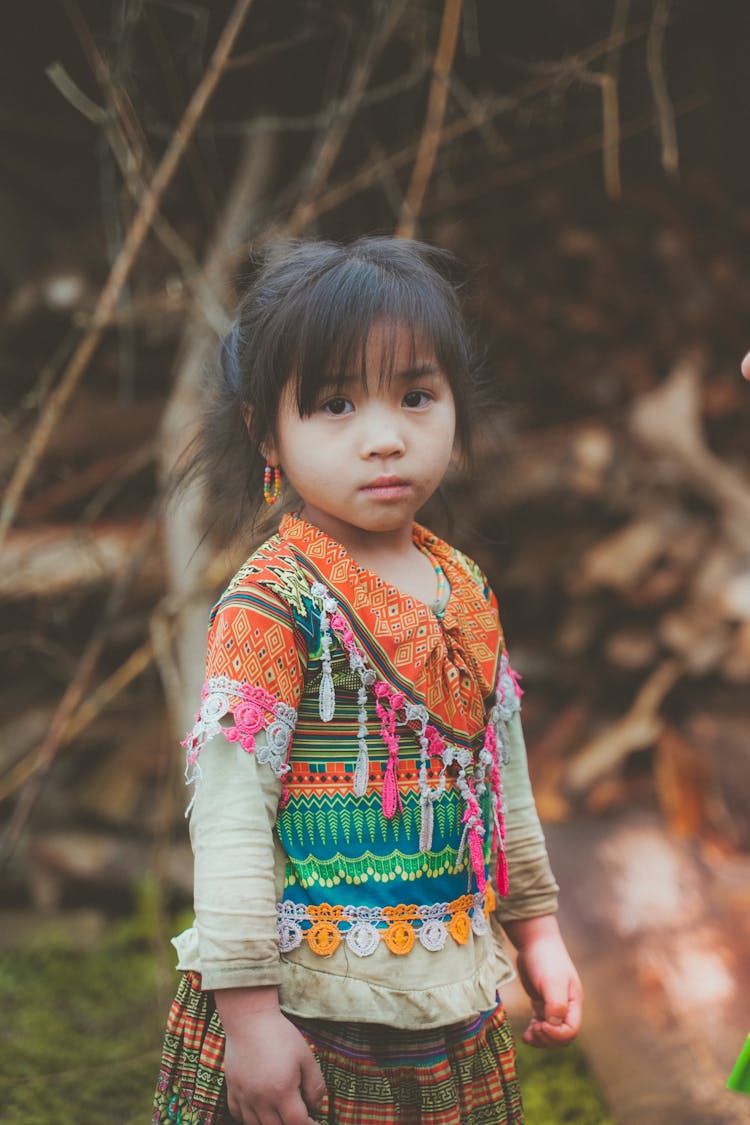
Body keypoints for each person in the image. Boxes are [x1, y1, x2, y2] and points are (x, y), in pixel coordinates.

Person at [152, 237, 582, 1125]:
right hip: (308, 1012)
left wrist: (536, 927)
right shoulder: (273, 603)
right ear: (265, 431)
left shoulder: (464, 586)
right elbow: (230, 817)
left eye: (416, 396)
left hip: (443, 998)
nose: (386, 437)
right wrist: (251, 1018)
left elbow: (502, 781)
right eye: (336, 403)